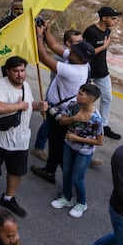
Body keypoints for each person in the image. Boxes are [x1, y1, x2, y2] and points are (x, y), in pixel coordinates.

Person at [31, 23, 95, 184]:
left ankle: (71, 182)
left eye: (74, 52)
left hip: (61, 113)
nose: (69, 52)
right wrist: (46, 30)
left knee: (58, 148)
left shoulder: (74, 71)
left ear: (80, 57)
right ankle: (50, 171)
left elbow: (44, 57)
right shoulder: (79, 62)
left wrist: (39, 36)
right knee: (55, 145)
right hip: (59, 110)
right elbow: (53, 45)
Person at [0, 56, 48, 219]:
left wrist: (39, 106)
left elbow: (29, 106)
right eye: (15, 71)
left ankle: (8, 198)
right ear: (8, 71)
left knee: (16, 171)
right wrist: (20, 105)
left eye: (22, 70)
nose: (20, 75)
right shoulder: (0, 85)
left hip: (20, 140)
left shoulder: (26, 86)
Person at [49, 83, 104, 219]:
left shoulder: (96, 119)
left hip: (83, 152)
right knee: (66, 173)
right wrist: (74, 119)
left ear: (90, 99)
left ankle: (81, 203)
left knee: (77, 178)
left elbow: (99, 141)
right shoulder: (74, 106)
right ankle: (67, 198)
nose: (77, 95)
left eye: (81, 94)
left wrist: (76, 138)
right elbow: (62, 121)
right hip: (69, 146)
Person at [83, 6, 123, 140]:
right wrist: (104, 47)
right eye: (113, 18)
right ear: (104, 18)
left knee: (107, 98)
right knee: (82, 98)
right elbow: (87, 52)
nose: (115, 21)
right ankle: (80, 121)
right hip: (87, 71)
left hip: (102, 71)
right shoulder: (90, 31)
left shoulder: (107, 31)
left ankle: (104, 125)